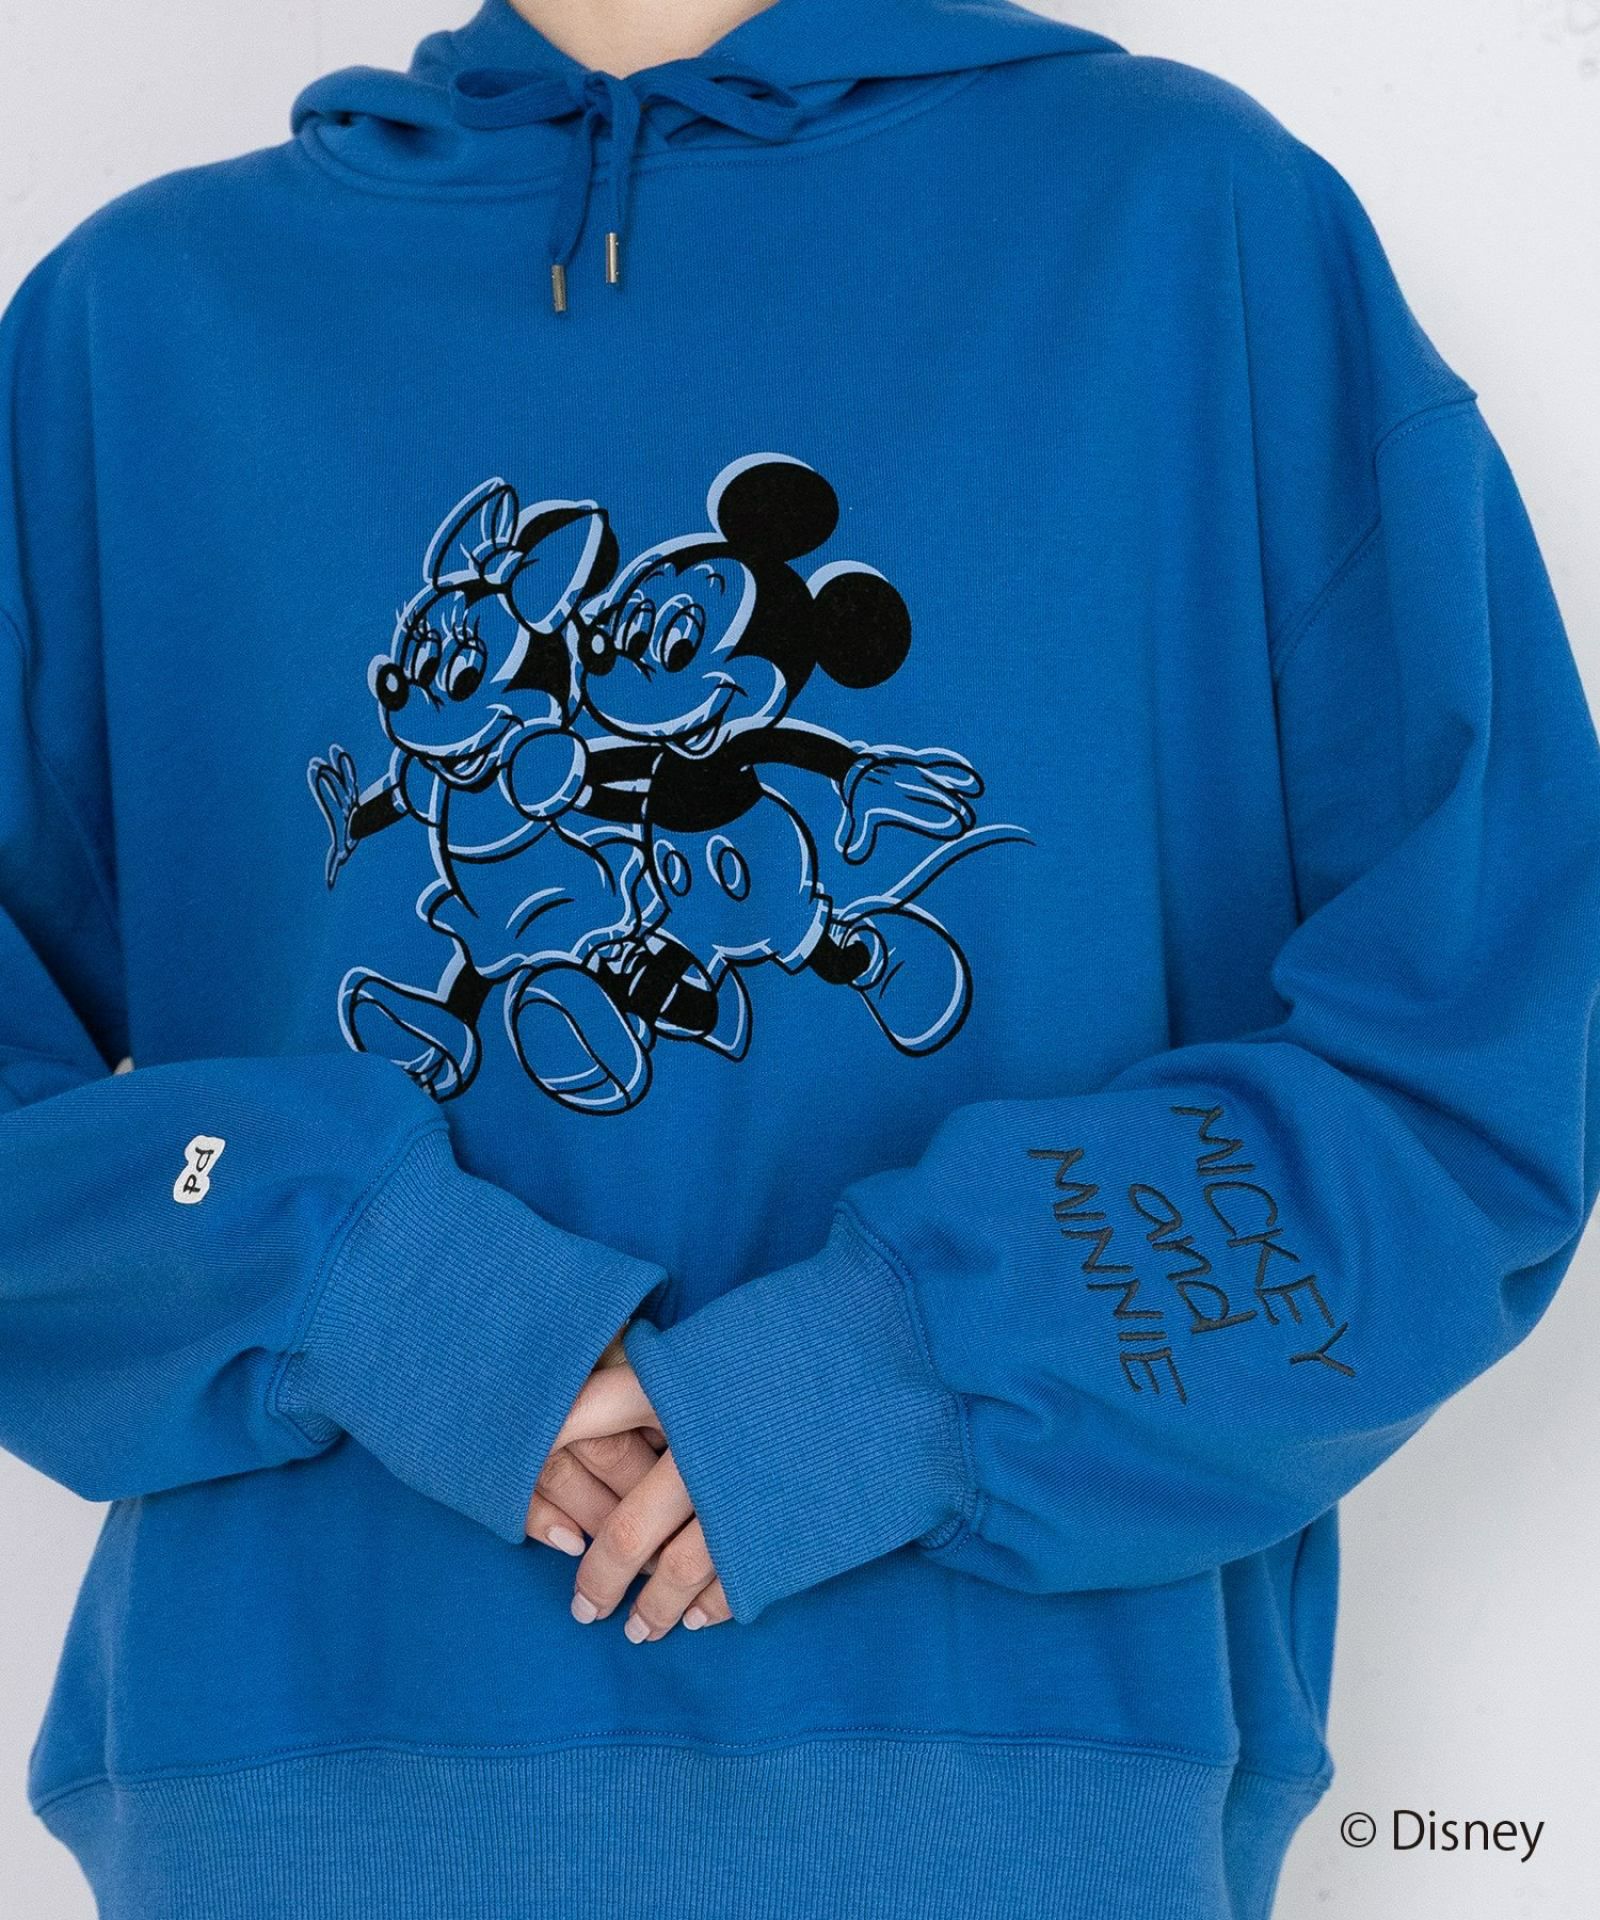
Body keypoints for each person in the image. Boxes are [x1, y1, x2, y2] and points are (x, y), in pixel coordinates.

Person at [2, 0, 1596, 1915]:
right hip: (288, 1801)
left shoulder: (1190, 231)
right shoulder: (141, 327)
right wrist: (366, 1287)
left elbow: (1488, 1067)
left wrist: (917, 1365)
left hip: (1022, 1813)